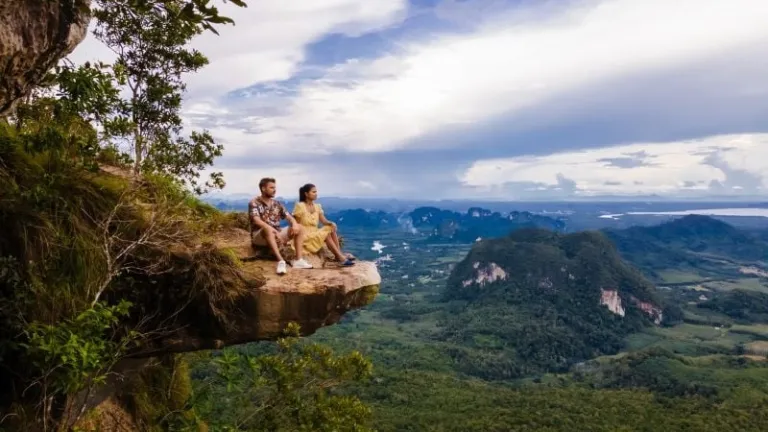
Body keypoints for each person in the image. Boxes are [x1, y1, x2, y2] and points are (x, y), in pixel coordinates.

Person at [249, 177, 313, 274]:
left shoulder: (277, 204)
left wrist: (294, 224)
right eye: (271, 188)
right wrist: (273, 231)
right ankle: (281, 261)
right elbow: (256, 220)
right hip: (260, 236)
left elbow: (289, 217)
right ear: (263, 188)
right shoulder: (254, 202)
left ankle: (298, 260)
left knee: (300, 227)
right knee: (267, 229)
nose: (274, 190)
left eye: (275, 188)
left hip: (277, 234)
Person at [293, 183, 355, 267]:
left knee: (330, 228)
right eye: (313, 192)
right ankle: (340, 258)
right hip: (305, 235)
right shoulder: (300, 206)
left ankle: (338, 254)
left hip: (314, 232)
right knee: (326, 235)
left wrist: (331, 223)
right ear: (306, 194)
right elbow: (296, 224)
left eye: (316, 192)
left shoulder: (317, 206)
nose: (316, 194)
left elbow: (324, 221)